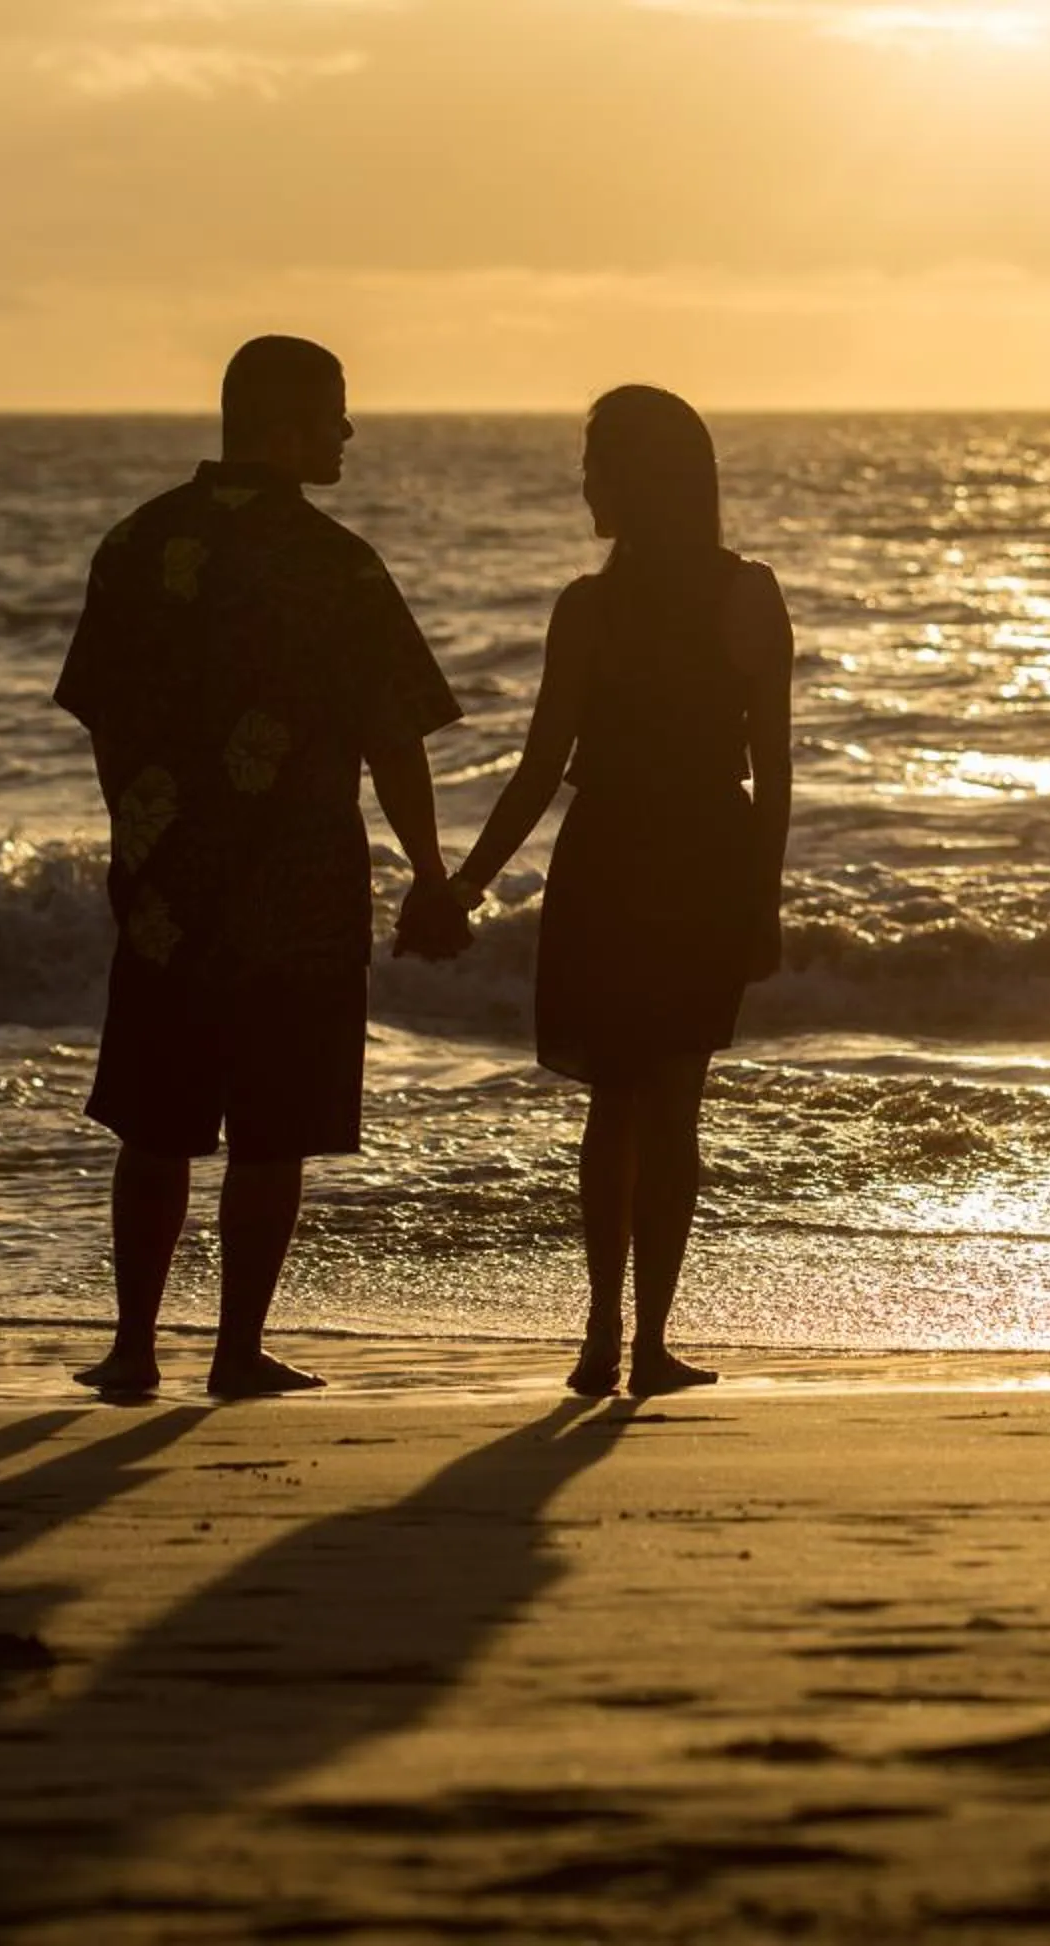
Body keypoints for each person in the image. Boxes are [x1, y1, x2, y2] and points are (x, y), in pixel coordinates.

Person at [55, 335, 472, 1401]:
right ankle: (237, 1352)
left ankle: (134, 1349)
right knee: (271, 1128)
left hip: (168, 880)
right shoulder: (338, 564)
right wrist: (429, 872)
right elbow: (395, 739)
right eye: (334, 412)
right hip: (301, 879)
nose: (346, 432)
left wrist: (132, 832)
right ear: (285, 424)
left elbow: (103, 715)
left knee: (157, 1118)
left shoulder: (139, 543)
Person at [446, 385, 795, 1399]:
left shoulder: (598, 606)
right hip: (691, 854)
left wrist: (469, 881)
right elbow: (767, 776)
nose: (585, 484)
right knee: (664, 1101)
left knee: (623, 1102)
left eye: (598, 466)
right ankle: (635, 1340)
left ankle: (614, 1334)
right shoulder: (733, 593)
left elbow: (543, 764)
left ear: (643, 479)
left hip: (621, 855)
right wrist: (758, 898)